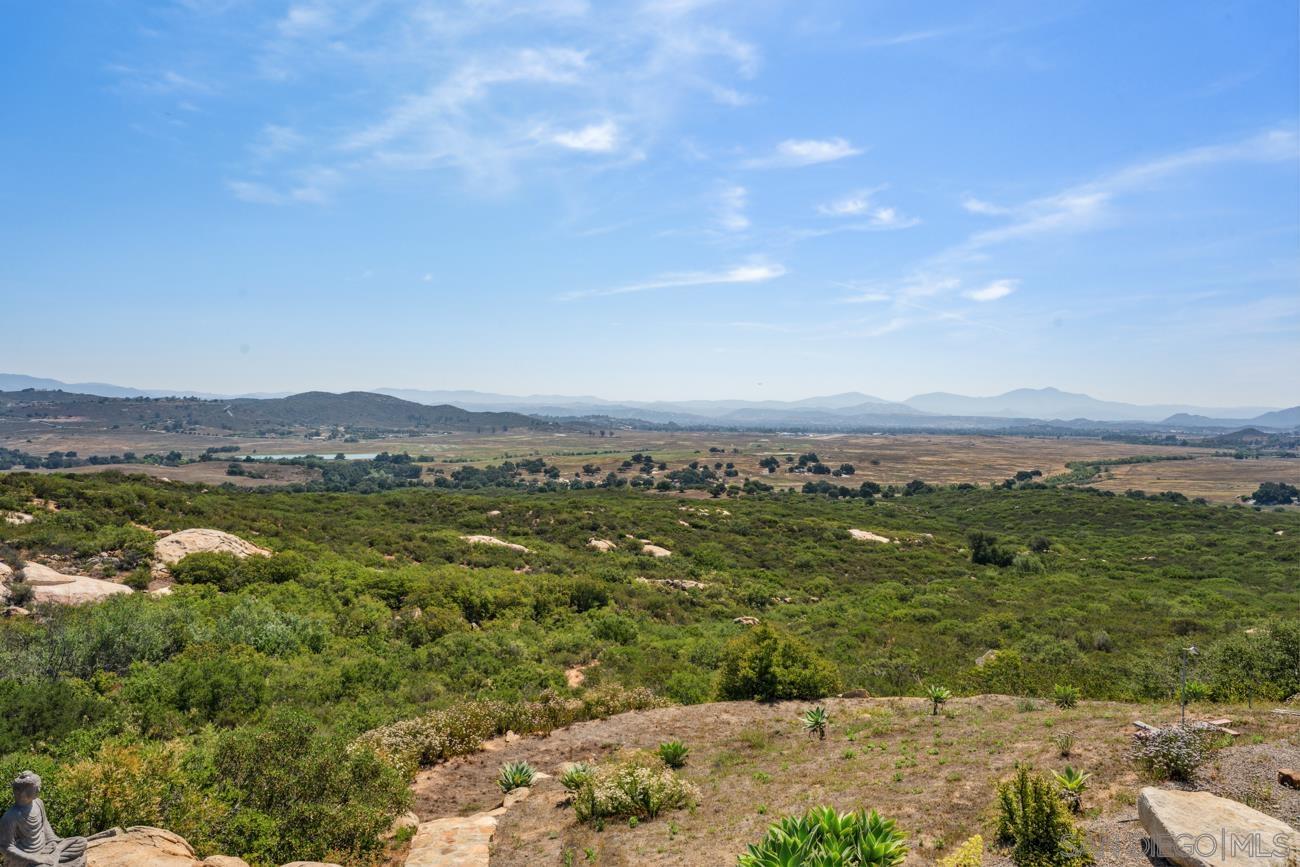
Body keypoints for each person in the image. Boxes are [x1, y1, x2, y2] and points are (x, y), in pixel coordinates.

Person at [0, 772, 87, 867]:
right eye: (36, 788)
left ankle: (54, 856)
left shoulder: (38, 803)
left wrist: (52, 841)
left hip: (45, 848)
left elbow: (45, 824)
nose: (39, 789)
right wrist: (37, 859)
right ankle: (52, 860)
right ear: (23, 792)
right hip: (27, 857)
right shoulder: (10, 816)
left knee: (81, 841)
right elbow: (7, 848)